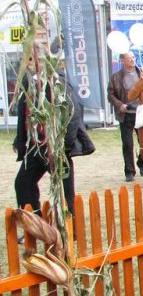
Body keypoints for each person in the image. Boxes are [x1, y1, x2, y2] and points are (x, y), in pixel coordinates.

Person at [14, 65, 94, 216]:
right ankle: (35, 223)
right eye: (27, 59)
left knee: (64, 189)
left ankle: (71, 228)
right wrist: (19, 139)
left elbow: (72, 111)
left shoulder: (57, 81)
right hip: (35, 147)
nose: (29, 63)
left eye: (32, 59)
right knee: (23, 184)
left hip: (55, 146)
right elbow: (25, 114)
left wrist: (66, 144)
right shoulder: (27, 82)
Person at [107, 52, 143, 182]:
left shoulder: (142, 74)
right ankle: (129, 171)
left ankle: (142, 164)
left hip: (140, 113)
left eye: (133, 57)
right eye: (129, 58)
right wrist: (119, 105)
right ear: (122, 60)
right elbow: (110, 94)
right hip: (125, 114)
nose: (132, 60)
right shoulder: (116, 77)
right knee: (128, 144)